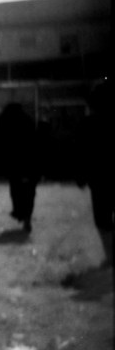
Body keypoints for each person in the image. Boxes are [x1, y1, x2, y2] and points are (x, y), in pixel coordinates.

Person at [0, 102, 42, 233]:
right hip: (29, 163)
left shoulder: (3, 121)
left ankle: (19, 212)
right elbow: (36, 141)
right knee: (29, 193)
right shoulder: (28, 121)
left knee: (16, 190)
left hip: (13, 165)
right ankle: (27, 217)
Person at [74, 79, 113, 267]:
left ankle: (111, 256)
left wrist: (80, 176)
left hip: (100, 180)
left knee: (103, 221)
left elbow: (81, 153)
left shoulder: (87, 124)